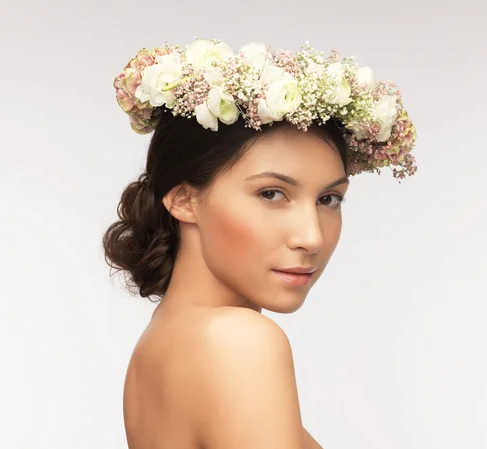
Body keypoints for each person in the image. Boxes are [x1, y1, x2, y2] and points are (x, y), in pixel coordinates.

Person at [103, 38, 417, 449]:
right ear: (184, 200)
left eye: (328, 199)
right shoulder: (238, 342)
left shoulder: (162, 343)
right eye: (271, 194)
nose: (311, 237)